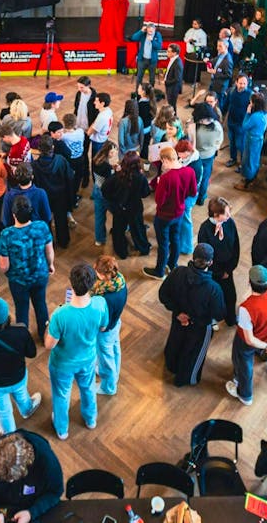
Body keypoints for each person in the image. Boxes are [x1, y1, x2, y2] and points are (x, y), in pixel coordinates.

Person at [45, 263, 109, 440]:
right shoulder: (100, 303)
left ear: (71, 284)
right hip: (88, 359)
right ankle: (90, 420)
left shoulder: (60, 314)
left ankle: (62, 429)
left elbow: (49, 344)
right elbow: (103, 327)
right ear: (93, 283)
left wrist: (49, 324)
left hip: (62, 364)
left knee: (61, 394)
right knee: (88, 389)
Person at [159, 243, 225, 387]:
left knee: (175, 341)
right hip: (200, 326)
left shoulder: (177, 272)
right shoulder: (214, 289)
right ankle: (186, 379)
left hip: (178, 319)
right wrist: (193, 318)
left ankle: (171, 365)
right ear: (211, 262)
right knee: (193, 353)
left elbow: (163, 295)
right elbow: (219, 314)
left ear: (193, 258)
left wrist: (178, 313)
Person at [0, 298, 42, 435]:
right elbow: (32, 353)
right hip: (18, 377)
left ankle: (10, 435)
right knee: (22, 395)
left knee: (3, 411)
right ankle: (27, 410)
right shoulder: (21, 330)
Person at [0, 431, 63, 523]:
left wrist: (31, 513)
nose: (10, 482)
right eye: (4, 479)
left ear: (27, 464)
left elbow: (55, 492)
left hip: (33, 507)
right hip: (0, 508)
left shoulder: (47, 461)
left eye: (13, 478)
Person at [226, 265, 267, 406]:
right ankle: (263, 355)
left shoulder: (246, 308)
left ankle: (245, 395)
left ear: (249, 282)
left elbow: (249, 339)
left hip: (247, 342)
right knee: (254, 355)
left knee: (244, 363)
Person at [0, 196, 55, 340]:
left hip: (18, 281)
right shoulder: (42, 227)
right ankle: (44, 334)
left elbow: (4, 266)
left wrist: (8, 273)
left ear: (14, 214)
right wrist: (50, 265)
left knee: (21, 310)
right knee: (41, 304)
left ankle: (23, 340)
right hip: (40, 275)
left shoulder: (7, 234)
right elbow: (49, 251)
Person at [143, 146, 198, 280]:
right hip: (179, 212)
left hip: (164, 216)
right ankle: (172, 264)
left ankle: (159, 271)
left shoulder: (166, 178)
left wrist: (158, 183)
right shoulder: (189, 171)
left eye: (162, 161)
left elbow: (159, 201)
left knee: (163, 244)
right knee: (175, 239)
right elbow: (193, 192)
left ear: (166, 160)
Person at [197, 197, 239, 325]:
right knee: (214, 298)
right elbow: (206, 256)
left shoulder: (229, 223)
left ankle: (231, 319)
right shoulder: (204, 229)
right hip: (214, 273)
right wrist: (220, 273)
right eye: (226, 213)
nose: (229, 216)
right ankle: (213, 319)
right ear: (216, 215)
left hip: (228, 269)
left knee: (231, 296)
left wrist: (229, 269)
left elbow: (236, 246)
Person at [101, 150, 151, 259]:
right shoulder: (140, 177)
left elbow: (104, 188)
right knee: (138, 229)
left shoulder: (118, 175)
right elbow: (145, 193)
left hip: (120, 208)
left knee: (118, 230)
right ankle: (143, 248)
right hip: (135, 208)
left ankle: (121, 252)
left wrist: (113, 199)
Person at [92, 255, 127, 396]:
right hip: (116, 322)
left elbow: (101, 323)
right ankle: (114, 375)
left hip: (105, 331)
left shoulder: (104, 297)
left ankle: (108, 387)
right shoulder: (120, 282)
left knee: (106, 360)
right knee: (115, 350)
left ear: (104, 275)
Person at [32, 136, 74, 249]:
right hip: (61, 195)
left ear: (39, 149)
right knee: (61, 219)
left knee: (46, 220)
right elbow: (69, 178)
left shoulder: (34, 166)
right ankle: (64, 241)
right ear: (53, 147)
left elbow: (34, 184)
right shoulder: (61, 160)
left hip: (44, 197)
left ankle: (49, 243)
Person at [235, 93, 267, 191]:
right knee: (254, 159)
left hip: (252, 140)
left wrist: (248, 113)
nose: (250, 103)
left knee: (248, 160)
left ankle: (247, 182)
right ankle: (252, 177)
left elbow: (244, 126)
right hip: (259, 138)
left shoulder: (255, 116)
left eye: (251, 102)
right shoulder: (265, 113)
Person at [174, 139, 202, 256]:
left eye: (179, 153)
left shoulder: (193, 166)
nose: (178, 155)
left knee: (186, 220)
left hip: (188, 196)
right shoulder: (190, 159)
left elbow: (191, 187)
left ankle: (186, 247)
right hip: (186, 194)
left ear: (187, 152)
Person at [2, 164, 52, 228]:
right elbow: (47, 217)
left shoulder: (9, 196)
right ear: (32, 177)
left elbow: (6, 221)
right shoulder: (41, 193)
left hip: (17, 233)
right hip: (37, 231)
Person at [192, 103, 223, 205]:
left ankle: (193, 196)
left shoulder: (197, 128)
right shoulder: (217, 126)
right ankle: (201, 198)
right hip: (209, 155)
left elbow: (191, 141)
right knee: (205, 177)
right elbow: (219, 141)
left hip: (197, 155)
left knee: (196, 177)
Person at [90, 141, 118, 248]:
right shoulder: (107, 167)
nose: (114, 153)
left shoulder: (95, 159)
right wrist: (115, 171)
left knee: (99, 216)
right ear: (107, 152)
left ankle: (99, 239)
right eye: (112, 151)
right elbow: (111, 181)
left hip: (97, 188)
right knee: (117, 212)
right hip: (106, 194)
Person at [73, 77, 98, 186]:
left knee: (86, 152)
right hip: (78, 128)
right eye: (78, 87)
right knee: (82, 153)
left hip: (88, 130)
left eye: (81, 87)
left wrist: (91, 128)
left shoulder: (95, 97)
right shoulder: (78, 94)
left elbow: (97, 115)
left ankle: (87, 177)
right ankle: (84, 174)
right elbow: (76, 108)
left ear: (88, 86)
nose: (79, 89)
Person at [225, 75, 251, 168]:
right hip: (231, 121)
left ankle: (242, 164)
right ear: (236, 82)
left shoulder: (250, 95)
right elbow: (227, 104)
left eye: (245, 83)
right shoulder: (231, 91)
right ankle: (233, 159)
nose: (243, 85)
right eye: (240, 83)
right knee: (232, 142)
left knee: (240, 144)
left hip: (241, 124)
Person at [61, 114, 86, 204]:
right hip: (80, 158)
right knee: (78, 178)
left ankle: (68, 195)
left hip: (70, 160)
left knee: (69, 178)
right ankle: (74, 195)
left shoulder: (64, 136)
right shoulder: (80, 132)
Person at [131, 22, 163, 87]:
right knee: (139, 77)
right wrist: (141, 31)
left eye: (152, 31)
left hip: (152, 61)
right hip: (142, 59)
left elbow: (159, 47)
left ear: (154, 29)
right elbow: (133, 38)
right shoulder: (143, 34)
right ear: (147, 29)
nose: (150, 32)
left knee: (152, 79)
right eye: (149, 31)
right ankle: (138, 93)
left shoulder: (157, 35)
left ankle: (151, 94)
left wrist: (152, 41)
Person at [87, 93, 113, 159]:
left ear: (102, 103)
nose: (94, 102)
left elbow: (89, 132)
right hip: (104, 139)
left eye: (96, 101)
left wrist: (93, 124)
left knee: (96, 161)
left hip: (98, 143)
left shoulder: (102, 117)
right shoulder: (108, 110)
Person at [163, 43, 184, 109]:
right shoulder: (173, 59)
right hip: (170, 87)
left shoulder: (177, 63)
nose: (167, 52)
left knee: (172, 106)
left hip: (173, 88)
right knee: (170, 104)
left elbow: (177, 78)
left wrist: (166, 82)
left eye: (169, 51)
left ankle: (173, 118)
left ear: (174, 53)